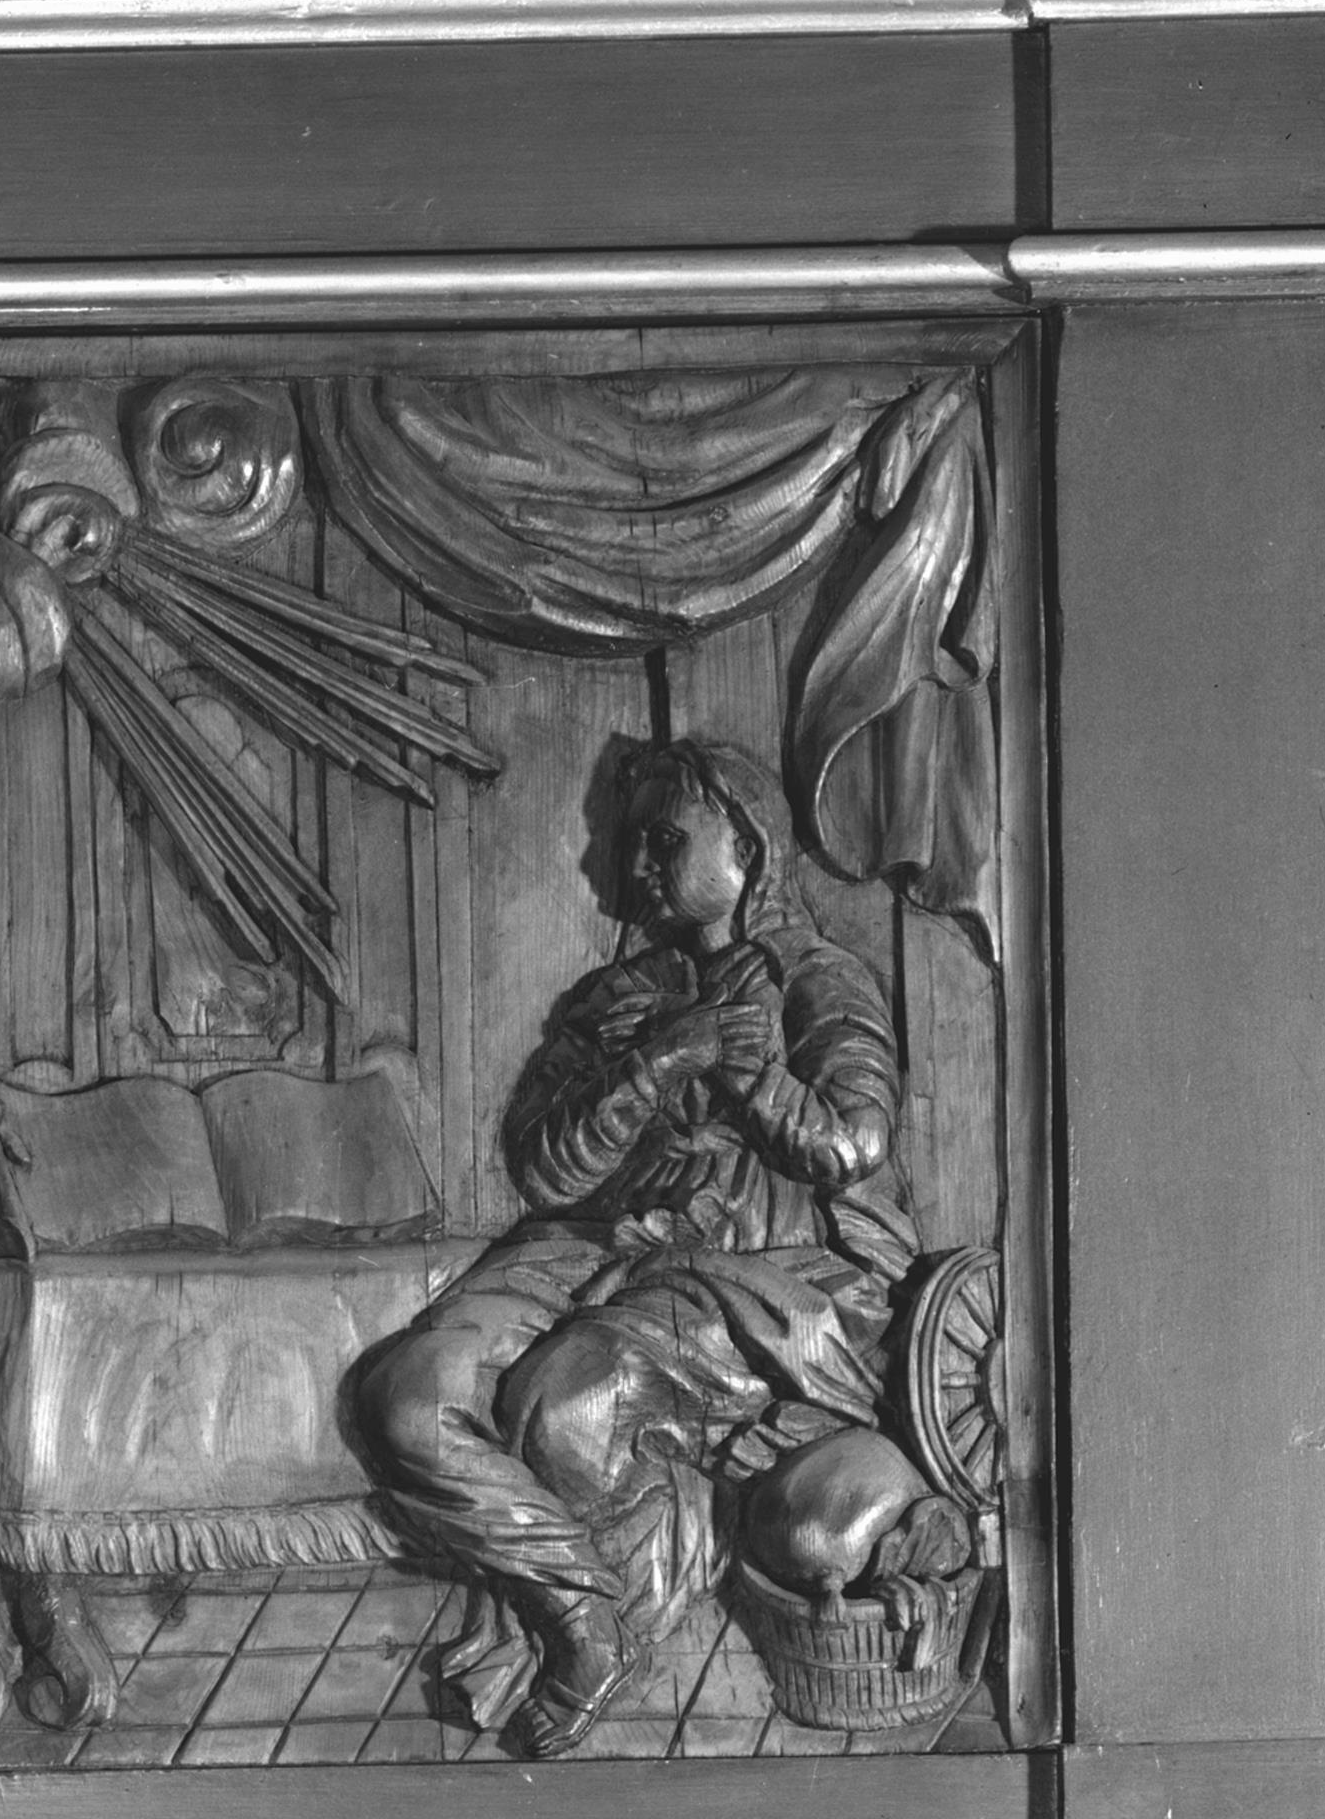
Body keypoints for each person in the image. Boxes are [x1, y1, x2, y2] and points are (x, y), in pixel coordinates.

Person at [343, 736, 952, 1755]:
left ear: (748, 848)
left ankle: (591, 1625)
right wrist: (657, 1061)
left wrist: (749, 1077)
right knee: (403, 1399)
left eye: (663, 841)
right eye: (631, 844)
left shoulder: (815, 980)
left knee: (567, 1405)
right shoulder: (623, 994)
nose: (633, 867)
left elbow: (854, 1142)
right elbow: (545, 1166)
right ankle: (584, 1614)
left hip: (760, 1271)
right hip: (595, 1246)